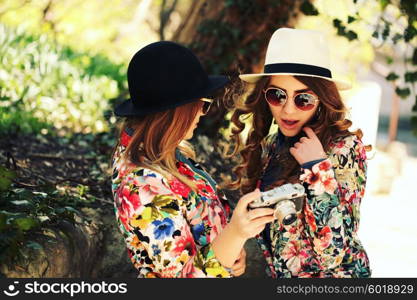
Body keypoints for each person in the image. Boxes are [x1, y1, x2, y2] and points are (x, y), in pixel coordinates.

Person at [111, 41, 275, 278]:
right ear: (176, 110)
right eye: (201, 104)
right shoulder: (142, 184)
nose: (202, 112)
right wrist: (237, 233)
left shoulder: (164, 152)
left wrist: (230, 249)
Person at [226, 28, 372, 278]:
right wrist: (237, 248)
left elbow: (333, 254)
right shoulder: (270, 146)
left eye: (303, 99)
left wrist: (317, 168)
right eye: (277, 95)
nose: (288, 110)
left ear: (322, 100)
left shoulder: (344, 148)